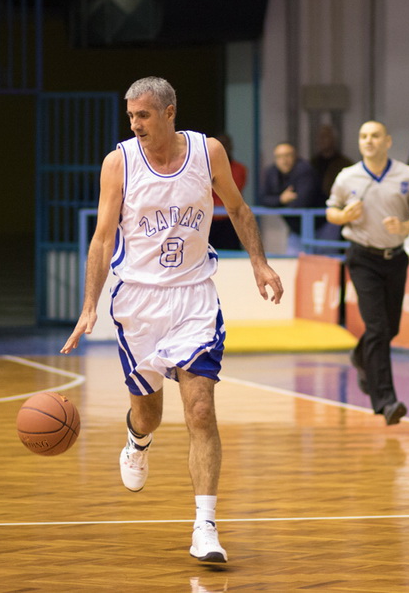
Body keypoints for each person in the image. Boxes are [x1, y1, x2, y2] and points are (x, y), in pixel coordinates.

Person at [61, 77, 283, 564]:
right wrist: (89, 305)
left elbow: (239, 210)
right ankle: (138, 440)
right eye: (130, 116)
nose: (134, 124)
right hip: (137, 301)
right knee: (150, 413)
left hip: (193, 298)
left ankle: (205, 526)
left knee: (200, 409)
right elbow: (101, 238)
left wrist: (260, 263)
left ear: (169, 112)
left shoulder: (209, 153)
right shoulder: (119, 162)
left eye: (142, 115)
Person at [326, 121, 409, 425]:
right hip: (362, 257)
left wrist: (406, 227)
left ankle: (362, 358)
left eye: (374, 136)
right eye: (363, 136)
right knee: (378, 328)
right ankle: (386, 402)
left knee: (390, 329)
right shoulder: (348, 177)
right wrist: (344, 216)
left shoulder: (408, 176)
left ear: (387, 141)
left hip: (396, 258)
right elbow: (331, 210)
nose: (369, 141)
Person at [260, 142, 319, 254]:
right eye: (279, 157)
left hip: (321, 226)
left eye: (288, 155)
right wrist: (281, 199)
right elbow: (263, 199)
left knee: (326, 264)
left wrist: (276, 201)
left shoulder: (305, 170)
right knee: (293, 262)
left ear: (295, 156)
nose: (284, 160)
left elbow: (301, 203)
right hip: (296, 229)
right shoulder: (271, 172)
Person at [311, 124, 353, 241]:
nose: (322, 140)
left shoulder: (345, 165)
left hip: (335, 212)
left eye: (326, 137)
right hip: (315, 212)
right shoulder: (312, 163)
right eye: (320, 137)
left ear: (334, 140)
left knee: (329, 251)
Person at [208, 133, 247, 251]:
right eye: (221, 146)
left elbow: (232, 191)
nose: (224, 149)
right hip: (208, 220)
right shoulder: (204, 168)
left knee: (232, 254)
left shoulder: (240, 169)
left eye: (226, 145)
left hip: (229, 220)